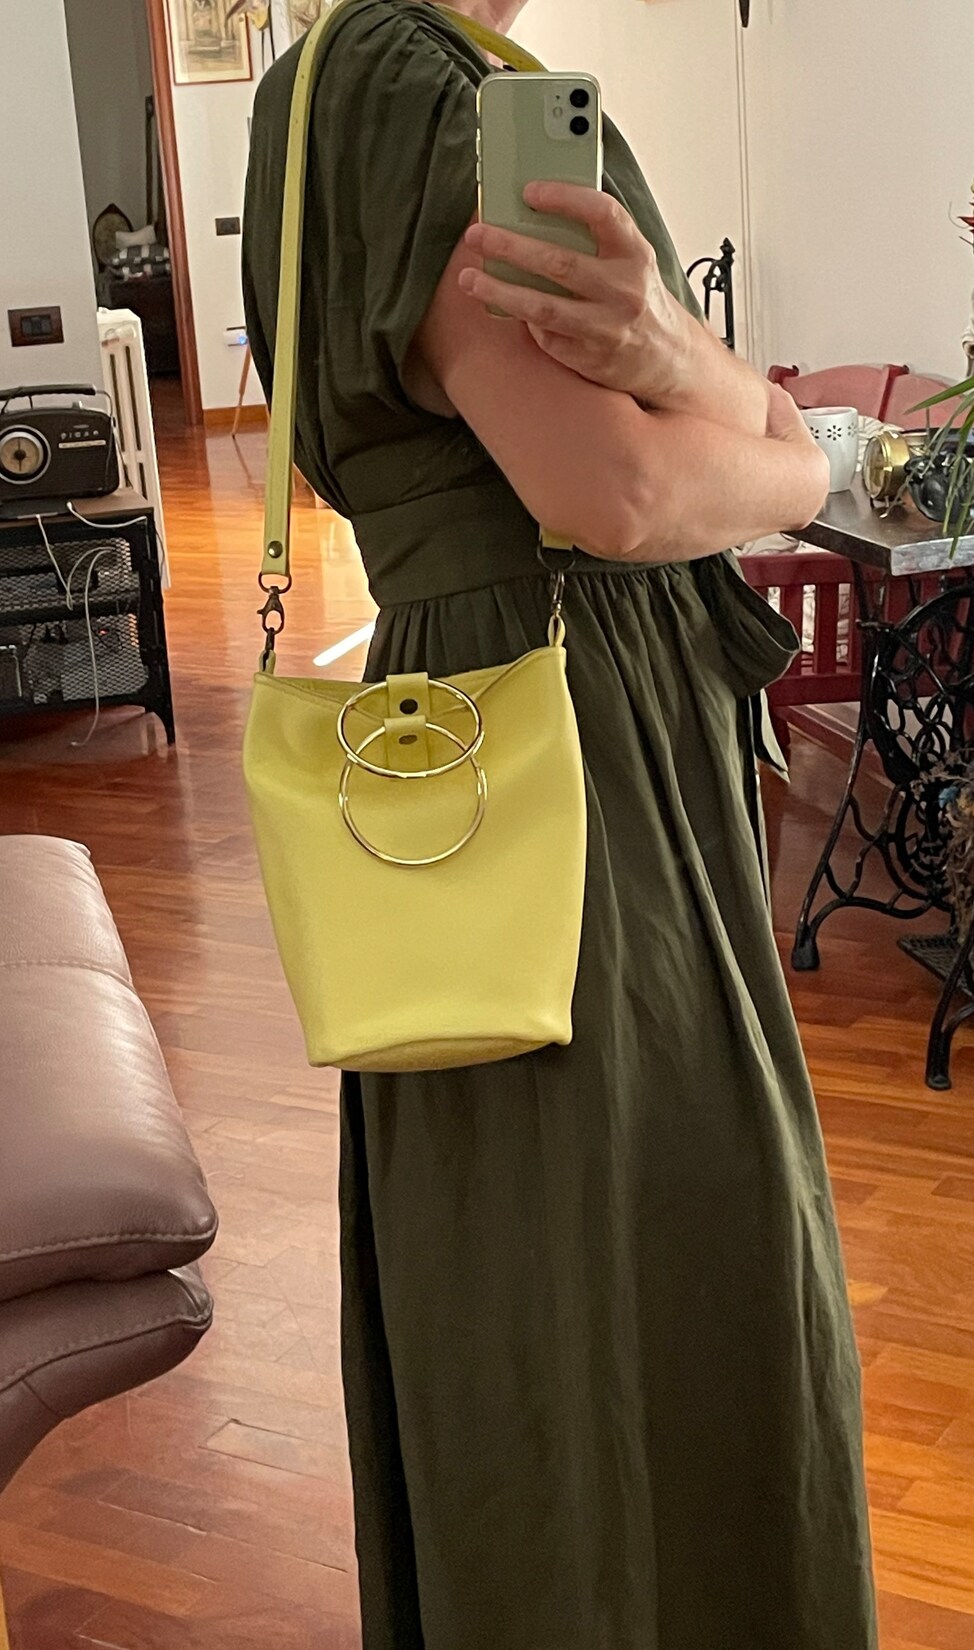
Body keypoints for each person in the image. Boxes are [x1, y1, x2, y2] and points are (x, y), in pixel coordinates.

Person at [242, 2, 878, 1645]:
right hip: (570, 731)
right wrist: (805, 467)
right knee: (615, 1263)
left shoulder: (366, 84)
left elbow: (670, 433)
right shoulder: (410, 86)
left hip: (528, 718)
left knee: (560, 1264)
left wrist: (674, 358)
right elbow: (619, 492)